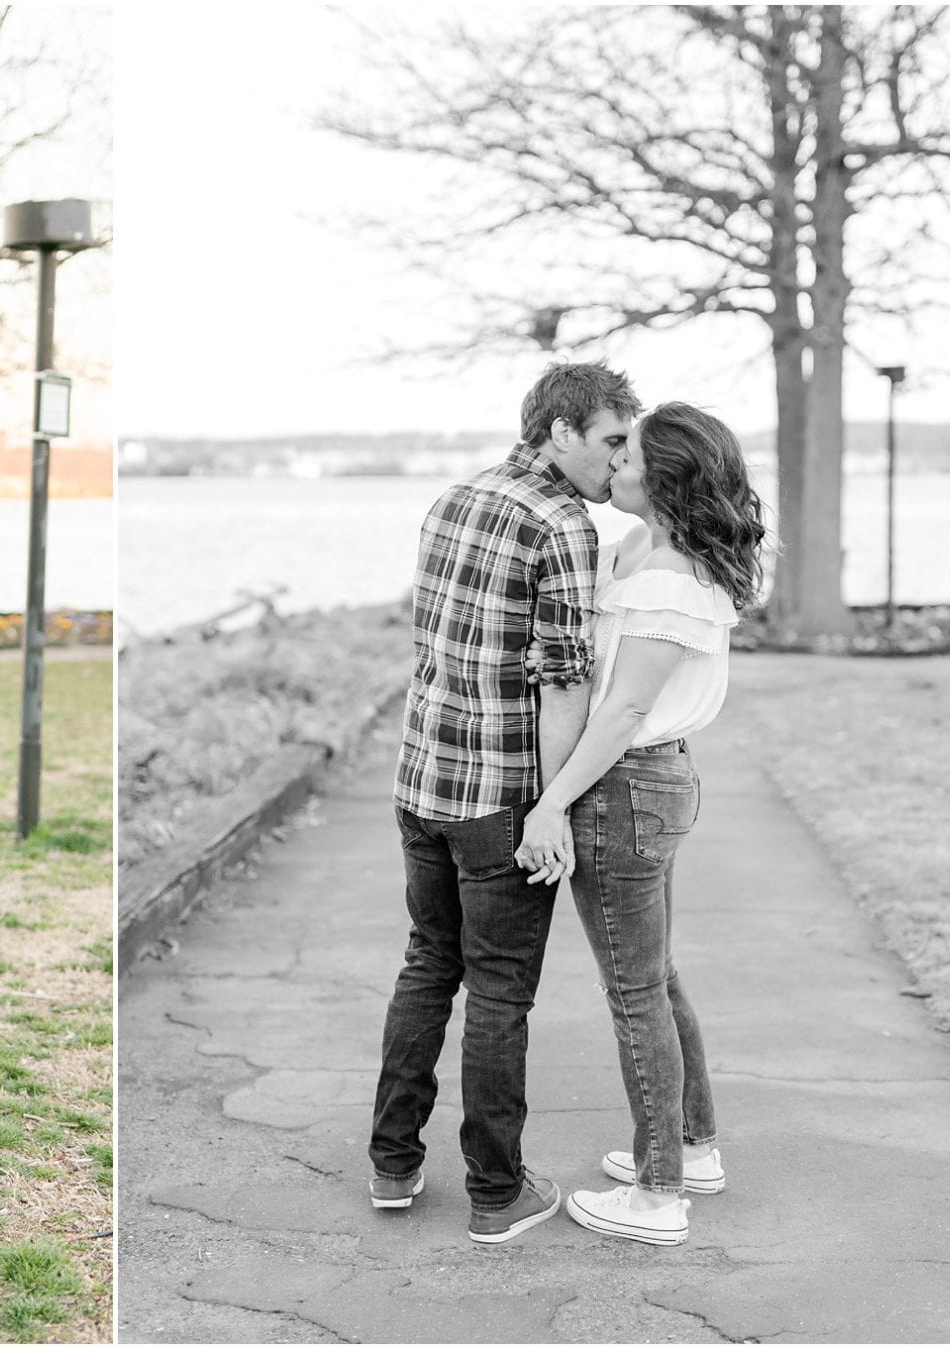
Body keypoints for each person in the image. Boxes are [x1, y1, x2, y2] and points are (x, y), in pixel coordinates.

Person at [369, 361, 639, 1243]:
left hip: (421, 783)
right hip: (497, 796)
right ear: (560, 431)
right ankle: (497, 1190)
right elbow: (564, 682)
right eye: (611, 440)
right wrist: (552, 805)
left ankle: (393, 1164)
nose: (621, 459)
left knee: (426, 966)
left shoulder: (454, 497)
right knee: (498, 992)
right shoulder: (564, 524)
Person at [514, 402, 767, 1246]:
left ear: (662, 479)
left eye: (629, 453)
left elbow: (620, 711)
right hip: (647, 786)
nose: (614, 461)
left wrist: (551, 803)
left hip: (626, 785)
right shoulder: (647, 551)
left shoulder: (670, 579)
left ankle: (659, 1194)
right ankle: (691, 1149)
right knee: (656, 979)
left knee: (634, 994)